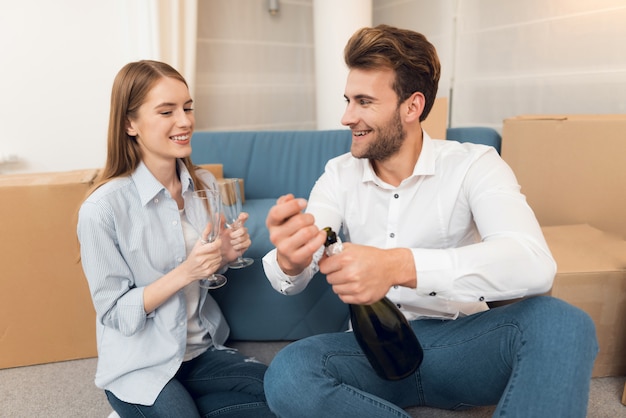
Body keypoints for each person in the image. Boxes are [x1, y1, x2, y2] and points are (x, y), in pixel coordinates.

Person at [261, 25, 598, 417]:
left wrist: (398, 265)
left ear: (411, 106)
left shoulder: (475, 163)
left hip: (461, 345)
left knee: (562, 324)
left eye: (364, 102)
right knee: (289, 373)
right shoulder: (338, 175)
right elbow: (306, 249)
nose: (346, 116)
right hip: (372, 353)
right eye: (348, 100)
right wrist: (291, 259)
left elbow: (533, 263)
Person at [77, 60, 274, 418]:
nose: (184, 121)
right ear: (129, 123)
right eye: (166, 111)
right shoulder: (102, 209)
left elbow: (207, 268)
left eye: (187, 107)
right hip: (141, 365)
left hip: (200, 352)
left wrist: (225, 254)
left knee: (285, 395)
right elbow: (115, 313)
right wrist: (187, 271)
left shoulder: (205, 185)